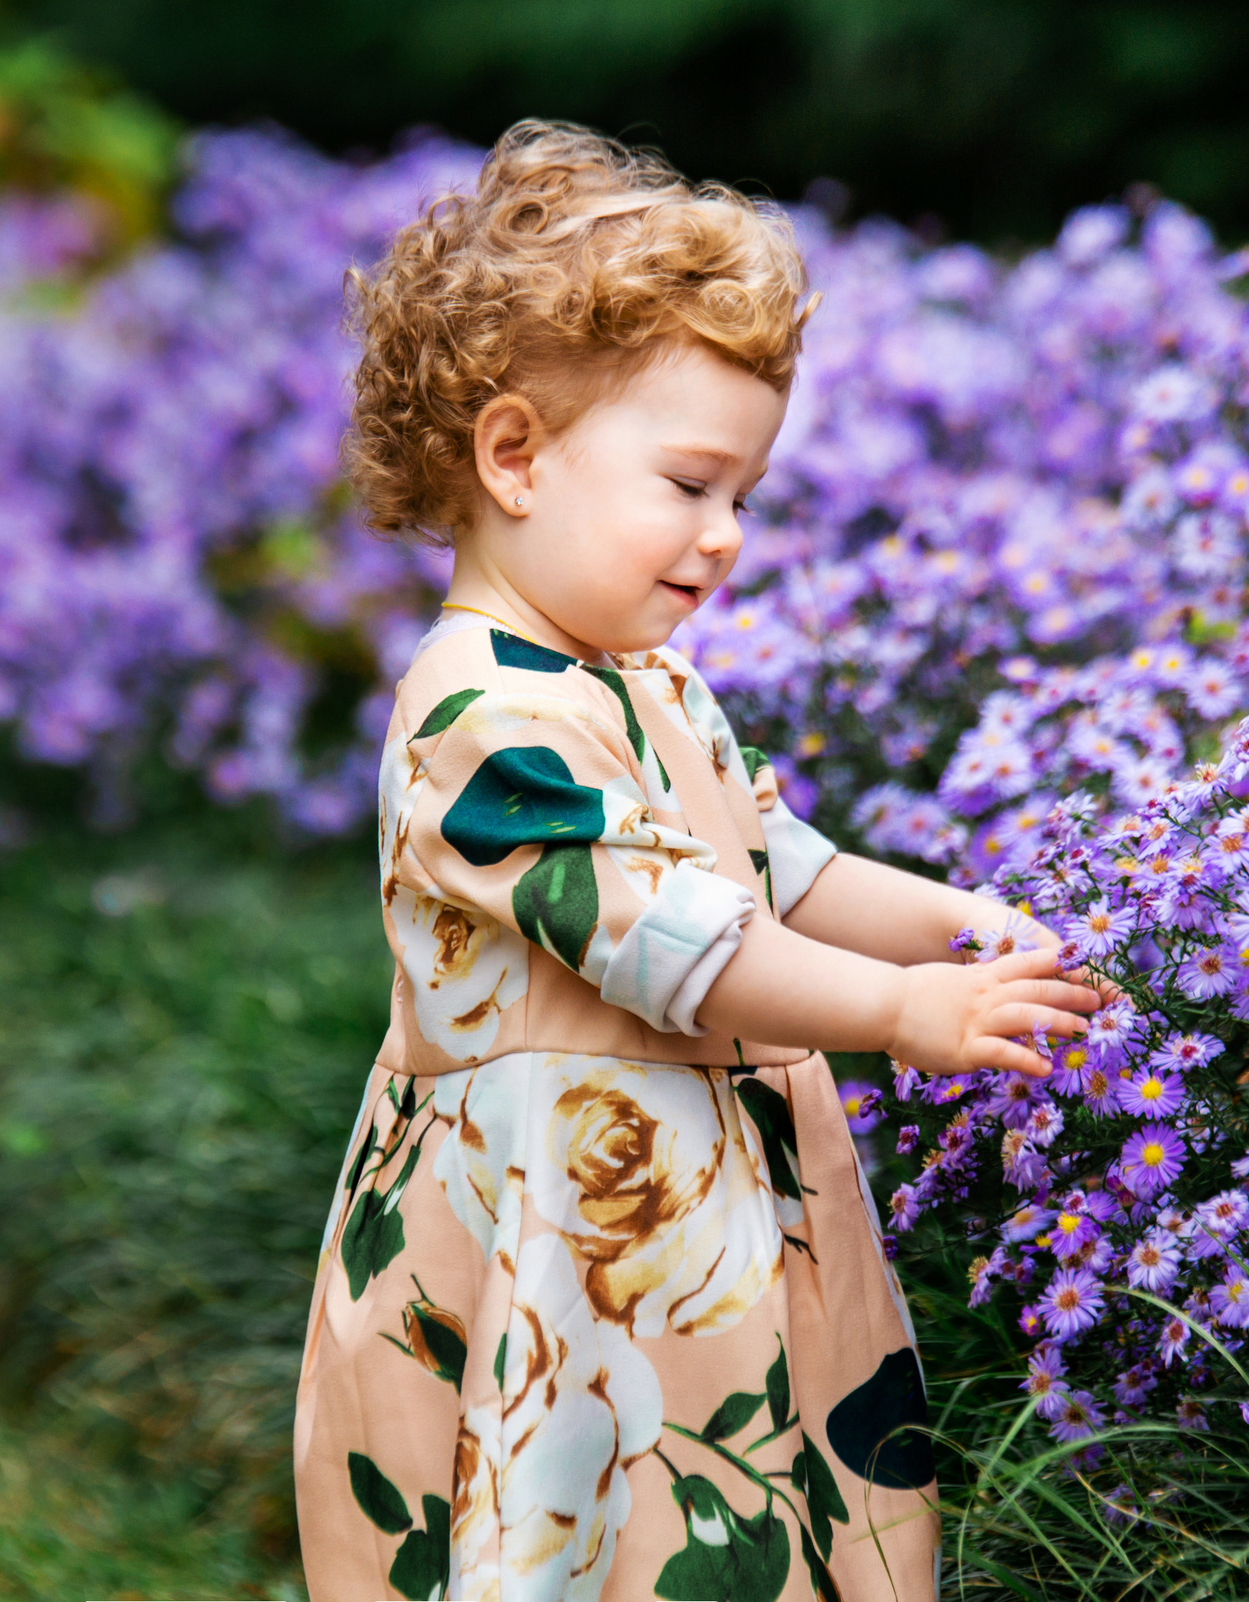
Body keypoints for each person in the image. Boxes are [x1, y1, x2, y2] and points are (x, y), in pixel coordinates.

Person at [293, 121, 1098, 1602]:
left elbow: (776, 871)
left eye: (747, 496)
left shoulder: (648, 681)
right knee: (605, 1540)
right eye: (689, 484)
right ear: (515, 457)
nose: (726, 538)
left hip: (703, 1226)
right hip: (573, 1252)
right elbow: (679, 942)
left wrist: (963, 931)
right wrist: (901, 1015)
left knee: (756, 1517)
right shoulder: (480, 721)